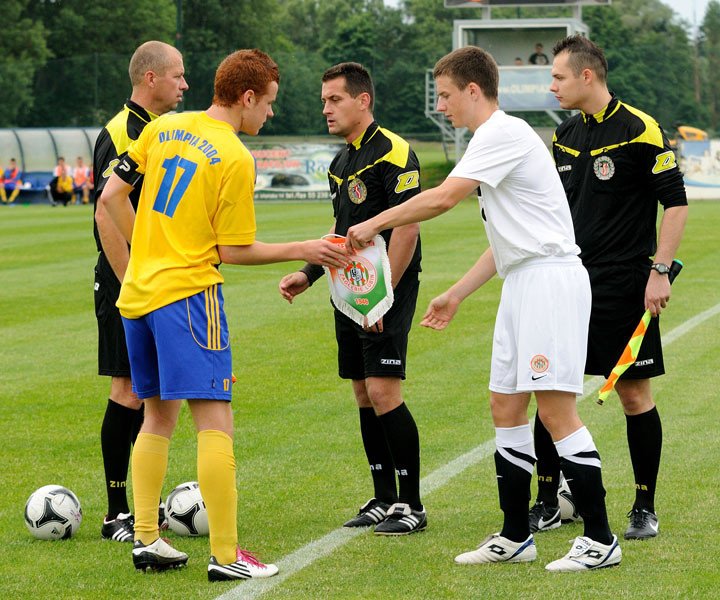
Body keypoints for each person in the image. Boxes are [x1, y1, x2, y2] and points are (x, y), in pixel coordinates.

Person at [346, 45, 620, 572]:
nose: (442, 105)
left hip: (550, 282)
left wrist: (376, 222)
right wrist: (456, 293)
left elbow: (443, 198)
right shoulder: (490, 143)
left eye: (447, 95)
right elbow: (507, 241)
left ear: (474, 90)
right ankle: (516, 534)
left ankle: (601, 538)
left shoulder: (503, 133)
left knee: (556, 410)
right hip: (523, 282)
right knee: (505, 406)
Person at [101, 48, 350, 580]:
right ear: (248, 97)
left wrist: (146, 249)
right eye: (270, 103)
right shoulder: (234, 157)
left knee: (156, 415)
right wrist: (304, 245)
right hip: (189, 296)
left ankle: (147, 538)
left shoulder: (165, 126)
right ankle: (227, 554)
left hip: (139, 296)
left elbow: (112, 195)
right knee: (215, 419)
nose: (271, 114)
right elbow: (233, 251)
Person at [528, 34, 687, 541]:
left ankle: (644, 505)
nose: (551, 85)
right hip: (566, 281)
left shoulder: (641, 129)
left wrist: (659, 271)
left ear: (586, 75)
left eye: (558, 77)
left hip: (624, 284)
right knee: (551, 390)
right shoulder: (565, 134)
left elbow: (676, 204)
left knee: (635, 395)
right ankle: (548, 500)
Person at [278, 62, 426, 536]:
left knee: (384, 390)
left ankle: (412, 504)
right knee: (363, 391)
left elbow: (407, 226)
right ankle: (383, 497)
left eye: (334, 99)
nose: (326, 108)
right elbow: (342, 234)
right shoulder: (341, 162)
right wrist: (309, 273)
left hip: (388, 288)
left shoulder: (395, 153)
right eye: (324, 100)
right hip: (349, 290)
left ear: (363, 100)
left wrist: (381, 300)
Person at [93, 40, 188, 544]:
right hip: (127, 279)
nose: (184, 84)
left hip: (154, 279)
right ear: (150, 78)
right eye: (177, 75)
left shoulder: (162, 132)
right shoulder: (121, 132)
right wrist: (134, 278)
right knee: (128, 389)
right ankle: (116, 512)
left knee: (149, 391)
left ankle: (138, 507)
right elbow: (106, 212)